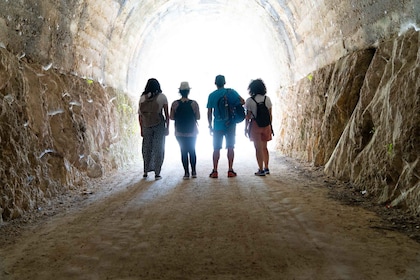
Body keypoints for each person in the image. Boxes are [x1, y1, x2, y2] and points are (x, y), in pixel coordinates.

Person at [207, 75, 245, 178]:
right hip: (230, 124)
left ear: (215, 83)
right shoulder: (231, 92)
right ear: (225, 82)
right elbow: (242, 101)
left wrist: (210, 126)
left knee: (216, 148)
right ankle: (230, 170)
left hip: (217, 125)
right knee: (230, 147)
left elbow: (209, 112)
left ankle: (215, 171)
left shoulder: (212, 95)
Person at [138, 78, 169, 180]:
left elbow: (140, 115)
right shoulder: (162, 97)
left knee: (147, 148)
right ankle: (157, 173)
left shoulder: (142, 98)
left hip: (146, 125)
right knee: (158, 148)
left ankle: (146, 171)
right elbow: (166, 114)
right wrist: (167, 127)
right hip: (159, 124)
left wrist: (141, 128)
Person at [170, 81, 200, 179]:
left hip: (179, 131)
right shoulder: (194, 103)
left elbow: (171, 117)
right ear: (188, 91)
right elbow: (198, 117)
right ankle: (194, 171)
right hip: (192, 132)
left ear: (180, 91)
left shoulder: (175, 104)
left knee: (183, 151)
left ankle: (186, 173)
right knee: (192, 150)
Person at [244, 78, 273, 176]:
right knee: (265, 148)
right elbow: (270, 114)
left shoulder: (250, 101)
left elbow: (248, 117)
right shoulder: (267, 99)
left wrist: (246, 128)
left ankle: (260, 170)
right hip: (266, 125)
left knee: (258, 148)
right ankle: (267, 167)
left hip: (255, 125)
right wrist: (269, 125)